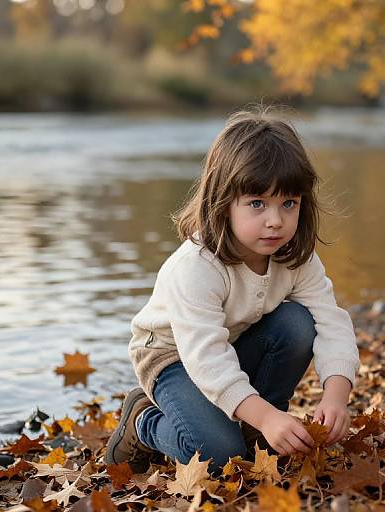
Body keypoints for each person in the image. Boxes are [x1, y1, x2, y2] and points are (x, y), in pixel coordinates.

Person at [104, 105, 360, 476]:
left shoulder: (293, 256)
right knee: (220, 455)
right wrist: (267, 414)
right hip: (172, 357)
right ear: (224, 204)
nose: (275, 220)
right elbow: (206, 358)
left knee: (297, 323)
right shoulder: (196, 267)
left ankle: (259, 431)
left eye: (288, 203)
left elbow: (331, 322)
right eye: (257, 204)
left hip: (231, 343)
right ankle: (143, 423)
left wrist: (337, 396)